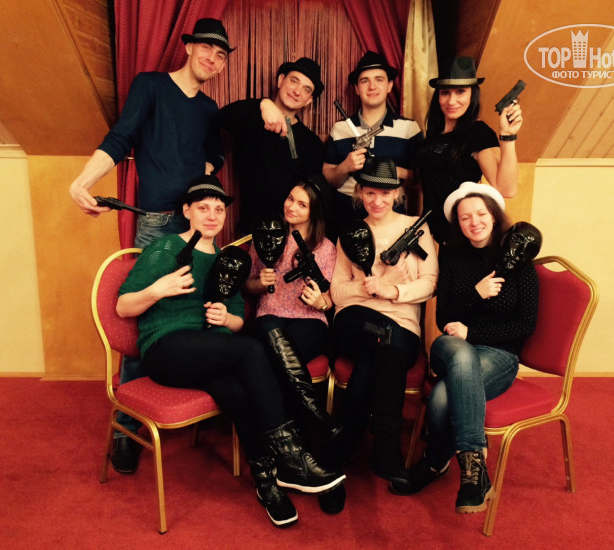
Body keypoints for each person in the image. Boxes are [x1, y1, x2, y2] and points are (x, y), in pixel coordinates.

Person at [116, 179, 345, 527]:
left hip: (207, 353)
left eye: (219, 209)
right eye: (203, 208)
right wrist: (158, 290)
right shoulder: (165, 248)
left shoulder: (228, 259)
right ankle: (293, 456)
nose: (212, 216)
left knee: (239, 392)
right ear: (187, 211)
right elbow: (123, 306)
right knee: (253, 350)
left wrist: (227, 318)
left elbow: (238, 320)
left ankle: (268, 482)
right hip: (166, 349)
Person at [68, 18, 233, 474]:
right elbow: (121, 137)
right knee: (145, 318)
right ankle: (129, 427)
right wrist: (83, 182)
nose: (212, 58)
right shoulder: (151, 86)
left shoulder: (209, 109)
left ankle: (192, 404)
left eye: (221, 55)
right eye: (207, 48)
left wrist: (202, 174)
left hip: (199, 224)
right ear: (189, 47)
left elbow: (215, 154)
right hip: (158, 224)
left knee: (198, 311)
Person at [390, 182, 538, 515]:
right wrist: (476, 293)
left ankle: (437, 462)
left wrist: (473, 331)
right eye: (465, 217)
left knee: (442, 397)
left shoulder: (520, 260)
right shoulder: (453, 257)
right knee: (459, 351)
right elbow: (444, 318)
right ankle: (474, 466)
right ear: (457, 223)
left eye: (480, 214)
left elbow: (526, 326)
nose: (474, 222)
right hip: (451, 347)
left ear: (494, 215)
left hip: (499, 356)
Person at [324, 157, 438, 511]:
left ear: (397, 194)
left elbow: (430, 283)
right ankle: (386, 453)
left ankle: (334, 455)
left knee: (381, 350)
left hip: (401, 325)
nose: (377, 201)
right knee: (383, 342)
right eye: (370, 193)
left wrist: (393, 292)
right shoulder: (350, 233)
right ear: (359, 192)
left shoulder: (416, 228)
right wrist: (370, 288)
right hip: (354, 320)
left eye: (385, 193)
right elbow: (336, 294)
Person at [245, 179, 338, 440]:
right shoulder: (266, 234)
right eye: (290, 198)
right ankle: (312, 419)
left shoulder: (326, 248)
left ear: (314, 212)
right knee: (269, 331)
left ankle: (283, 437)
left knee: (276, 362)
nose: (291, 207)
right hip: (269, 316)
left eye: (302, 204)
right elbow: (248, 284)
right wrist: (260, 283)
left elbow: (330, 299)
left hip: (309, 320)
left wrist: (320, 302)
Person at [417, 56, 523, 244]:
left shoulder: (477, 132)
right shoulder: (433, 135)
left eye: (460, 92)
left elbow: (507, 189)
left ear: (473, 94)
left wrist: (508, 137)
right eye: (445, 93)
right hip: (437, 238)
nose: (452, 101)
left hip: (465, 237)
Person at [215, 57, 326, 235]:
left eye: (306, 90)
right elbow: (220, 118)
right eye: (294, 81)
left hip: (293, 232)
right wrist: (263, 104)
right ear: (281, 80)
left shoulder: (312, 142)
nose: (297, 91)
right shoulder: (252, 118)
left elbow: (313, 194)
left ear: (308, 100)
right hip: (253, 230)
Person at [323, 51, 423, 239]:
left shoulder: (409, 128)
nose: (372, 86)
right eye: (364, 81)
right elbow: (328, 178)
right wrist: (345, 167)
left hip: (391, 213)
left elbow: (421, 181)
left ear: (389, 85)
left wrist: (393, 171)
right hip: (345, 214)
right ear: (356, 88)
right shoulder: (340, 128)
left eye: (379, 79)